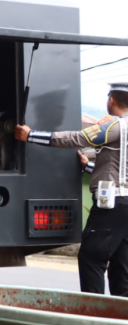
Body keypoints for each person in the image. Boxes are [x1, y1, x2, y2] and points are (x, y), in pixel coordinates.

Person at [15, 82, 128, 296]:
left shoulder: (116, 127)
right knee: (121, 264)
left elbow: (78, 138)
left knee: (92, 258)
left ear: (111, 99)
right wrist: (90, 165)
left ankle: (93, 317)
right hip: (125, 206)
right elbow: (116, 165)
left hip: (114, 205)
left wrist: (31, 135)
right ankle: (121, 320)